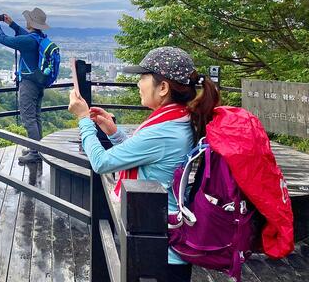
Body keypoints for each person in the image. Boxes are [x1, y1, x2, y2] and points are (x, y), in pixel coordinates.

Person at [68, 46, 220, 282]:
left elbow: (101, 162)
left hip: (159, 246)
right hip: (161, 234)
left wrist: (83, 119)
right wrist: (114, 133)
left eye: (143, 77)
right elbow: (148, 155)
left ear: (163, 87)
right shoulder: (180, 118)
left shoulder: (164, 130)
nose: (138, 83)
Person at [0, 7, 51, 164]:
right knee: (36, 116)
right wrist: (11, 24)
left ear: (31, 23)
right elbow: (21, 32)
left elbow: (2, 39)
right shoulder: (38, 37)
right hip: (39, 82)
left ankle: (35, 152)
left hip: (29, 84)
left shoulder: (28, 40)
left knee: (28, 118)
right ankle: (37, 148)